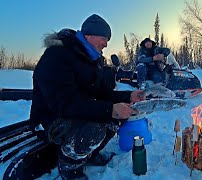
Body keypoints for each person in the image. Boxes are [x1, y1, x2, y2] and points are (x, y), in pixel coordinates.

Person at [29, 14, 145, 179]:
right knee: (95, 127)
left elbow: (101, 94)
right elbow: (64, 103)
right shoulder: (57, 55)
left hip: (73, 111)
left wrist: (129, 96)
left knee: (115, 118)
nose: (106, 44)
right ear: (90, 34)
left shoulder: (91, 60)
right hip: (51, 118)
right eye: (104, 38)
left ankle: (87, 154)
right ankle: (70, 167)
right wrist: (110, 109)